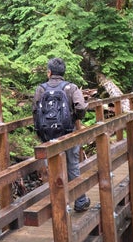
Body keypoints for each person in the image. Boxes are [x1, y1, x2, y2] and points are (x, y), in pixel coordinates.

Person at [32, 57, 90, 212]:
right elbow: (80, 107)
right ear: (63, 72)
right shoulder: (71, 88)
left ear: (49, 72)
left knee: (52, 169)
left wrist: (41, 132)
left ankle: (58, 204)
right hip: (68, 134)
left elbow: (35, 111)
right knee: (72, 166)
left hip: (48, 138)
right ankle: (80, 200)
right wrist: (76, 118)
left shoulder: (41, 89)